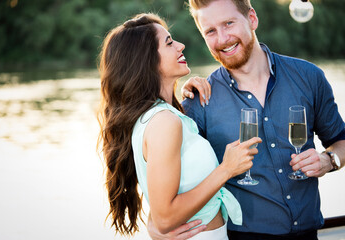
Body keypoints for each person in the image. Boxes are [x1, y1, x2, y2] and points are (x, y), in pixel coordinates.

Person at [147, 0, 345, 239]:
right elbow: (166, 176)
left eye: (228, 23)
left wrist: (329, 160)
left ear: (252, 18)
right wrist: (154, 226)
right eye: (210, 31)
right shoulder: (198, 101)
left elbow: (341, 142)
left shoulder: (309, 77)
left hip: (308, 233)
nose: (222, 39)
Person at [97, 13, 262, 240]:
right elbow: (165, 219)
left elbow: (162, 197)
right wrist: (226, 169)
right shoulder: (164, 122)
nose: (180, 45)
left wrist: (182, 93)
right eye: (169, 43)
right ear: (147, 60)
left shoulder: (158, 116)